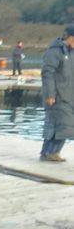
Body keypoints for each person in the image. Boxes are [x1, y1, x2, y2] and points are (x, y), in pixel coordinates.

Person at [40, 25, 74, 162]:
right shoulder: (55, 51)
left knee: (62, 125)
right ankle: (50, 153)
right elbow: (47, 73)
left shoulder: (71, 52)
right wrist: (50, 95)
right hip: (57, 96)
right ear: (71, 37)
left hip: (69, 95)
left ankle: (48, 153)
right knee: (62, 124)